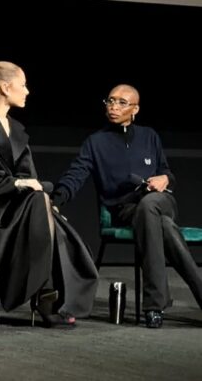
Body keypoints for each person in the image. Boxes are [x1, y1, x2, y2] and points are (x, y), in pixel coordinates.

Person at [0, 58, 98, 327]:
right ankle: (45, 295)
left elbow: (29, 175)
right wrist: (18, 185)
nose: (27, 91)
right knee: (39, 202)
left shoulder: (15, 130)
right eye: (23, 85)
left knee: (46, 208)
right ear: (5, 88)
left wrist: (35, 193)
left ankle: (46, 292)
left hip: (17, 206)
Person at [51, 84, 202, 328]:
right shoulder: (96, 142)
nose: (114, 107)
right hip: (127, 209)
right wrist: (55, 200)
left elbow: (166, 172)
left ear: (135, 109)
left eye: (122, 102)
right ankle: (169, 300)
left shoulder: (149, 136)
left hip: (161, 201)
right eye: (110, 101)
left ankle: (154, 305)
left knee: (151, 205)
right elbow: (75, 175)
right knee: (162, 225)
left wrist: (165, 179)